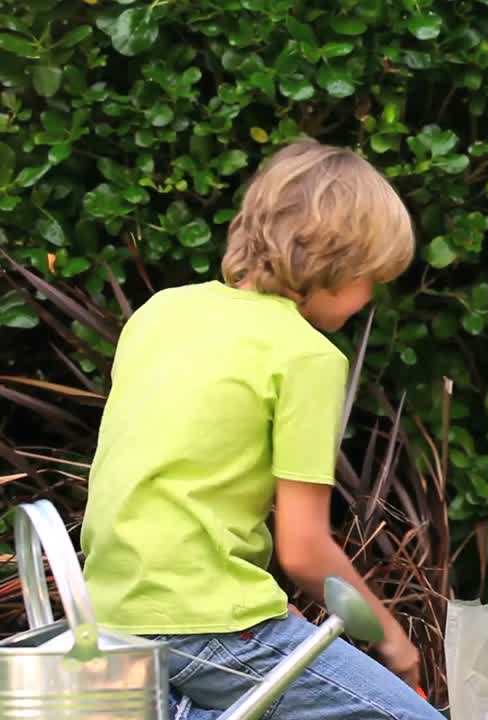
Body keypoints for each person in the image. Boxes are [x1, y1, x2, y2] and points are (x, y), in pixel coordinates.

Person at [81, 140, 446, 720]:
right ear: (341, 261)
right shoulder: (307, 357)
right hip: (207, 626)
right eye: (373, 277)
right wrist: (394, 641)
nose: (370, 296)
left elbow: (170, 485)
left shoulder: (159, 312)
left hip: (106, 618)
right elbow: (303, 549)